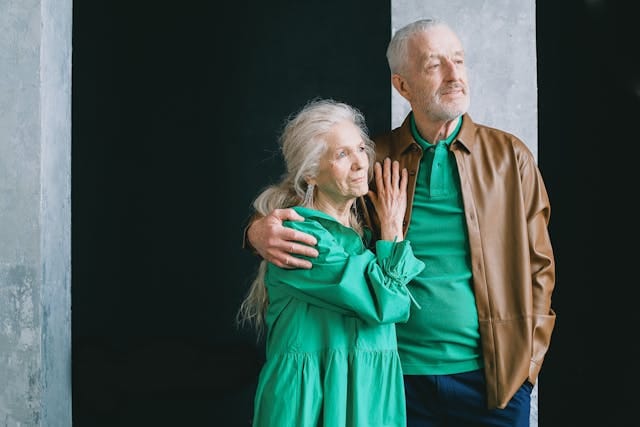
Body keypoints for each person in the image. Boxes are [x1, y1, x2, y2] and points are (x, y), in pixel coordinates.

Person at [244, 19, 556, 427]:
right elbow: (309, 196)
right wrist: (256, 231)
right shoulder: (375, 158)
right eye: (435, 65)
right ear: (403, 86)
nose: (454, 75)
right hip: (395, 379)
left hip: (493, 380)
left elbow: (540, 266)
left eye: (459, 60)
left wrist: (527, 367)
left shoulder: (510, 157)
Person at [237, 98, 425, 426]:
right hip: (309, 406)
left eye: (361, 149)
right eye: (342, 154)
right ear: (310, 173)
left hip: (365, 399)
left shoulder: (358, 236)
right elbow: (389, 303)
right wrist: (393, 230)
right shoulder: (300, 236)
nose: (360, 163)